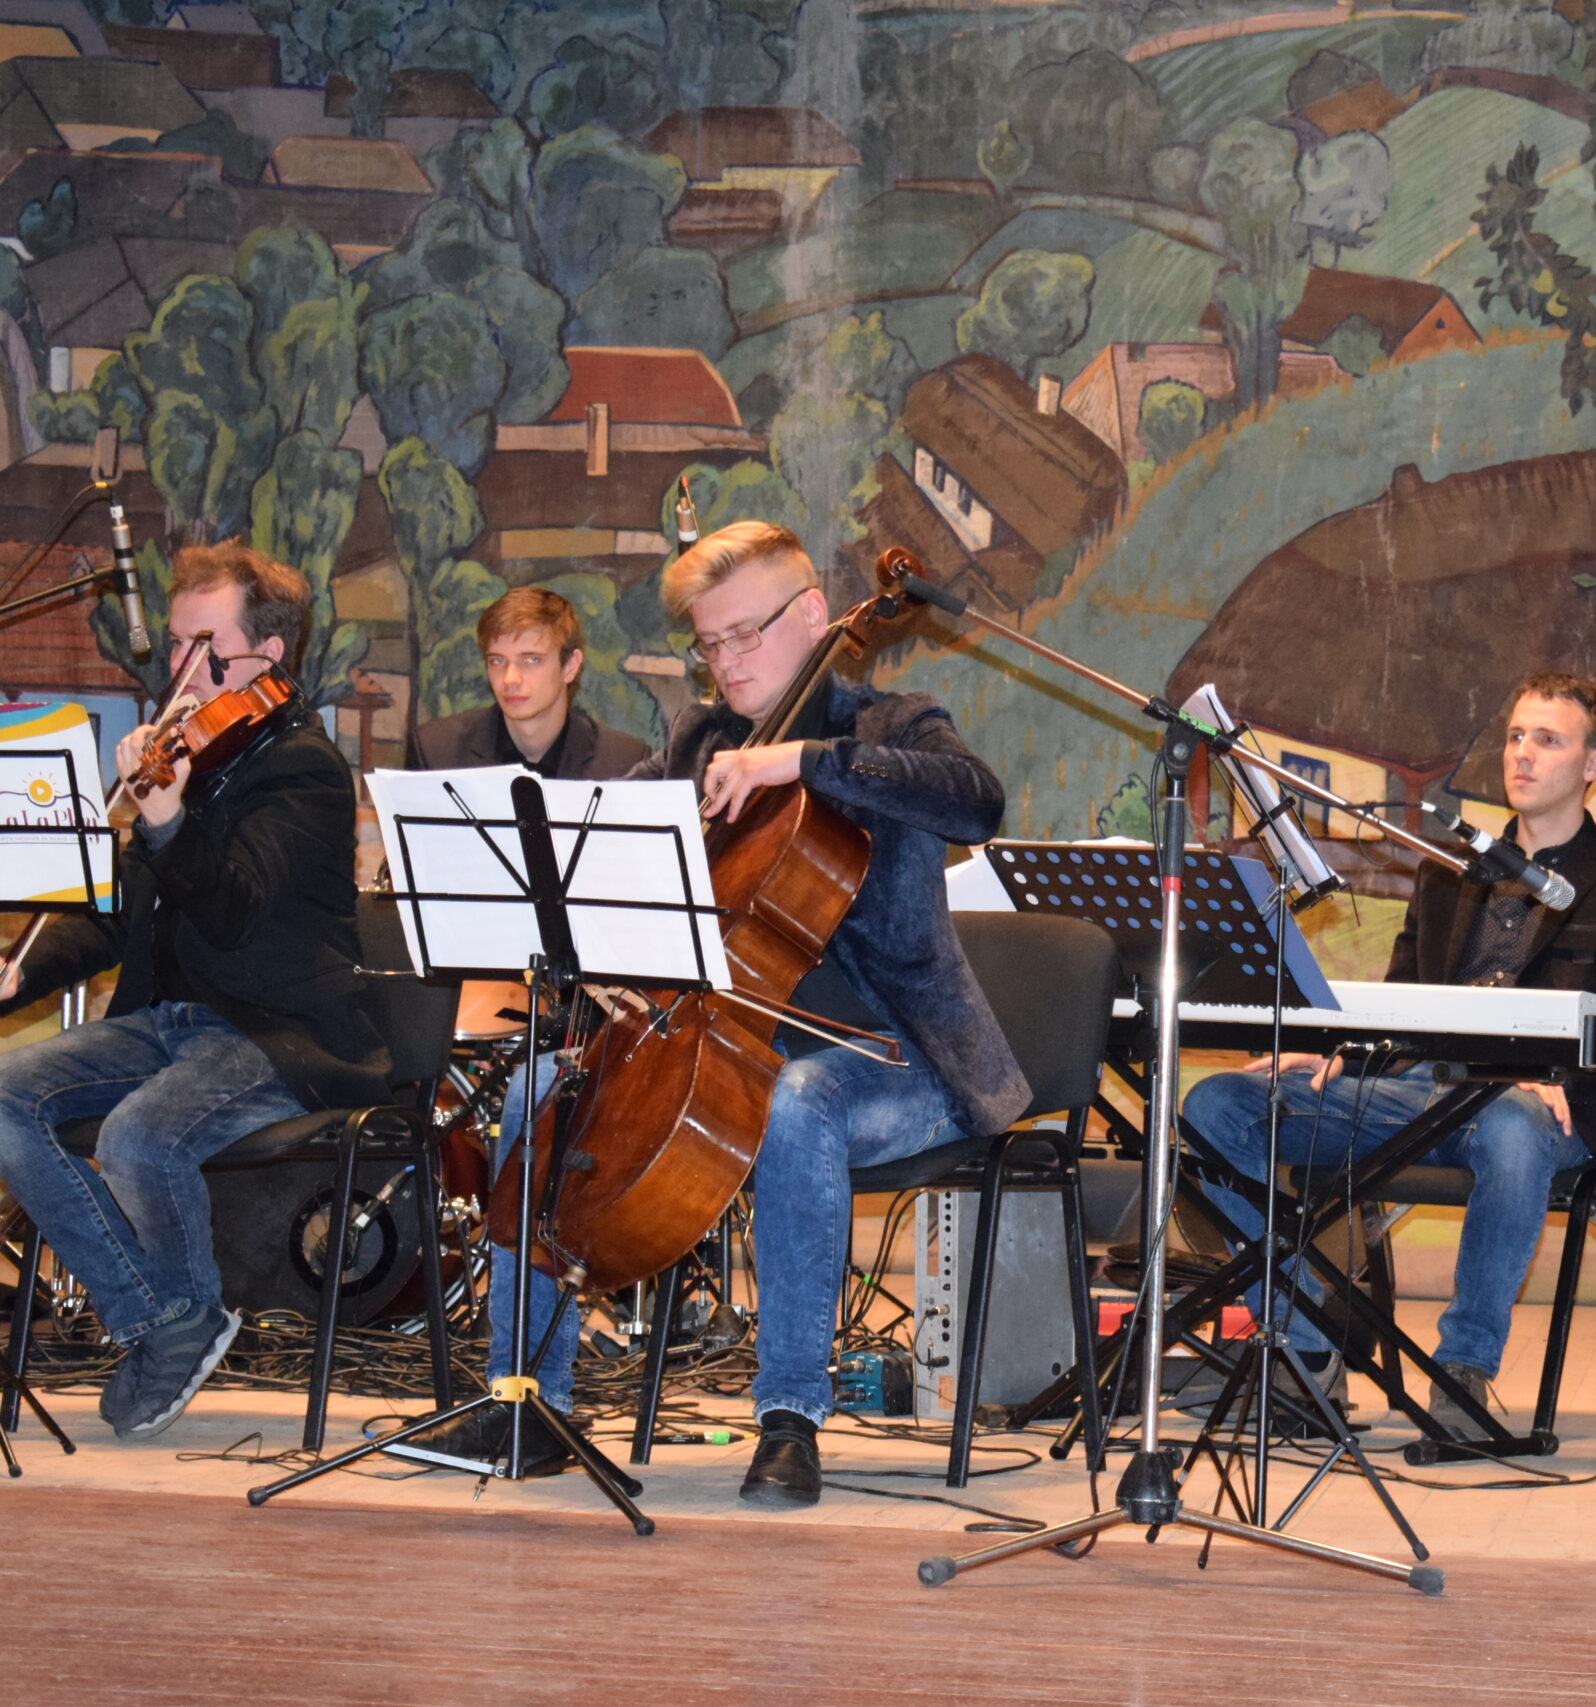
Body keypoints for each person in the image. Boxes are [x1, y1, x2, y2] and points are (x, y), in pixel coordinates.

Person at [389, 522, 1027, 1506]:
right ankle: (526, 1403)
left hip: (901, 1057)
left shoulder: (894, 725)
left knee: (797, 1101)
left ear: (812, 617)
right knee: (534, 1092)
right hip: (718, 1047)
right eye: (708, 643)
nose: (723, 662)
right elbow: (594, 845)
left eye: (743, 635)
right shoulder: (699, 742)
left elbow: (975, 801)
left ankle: (790, 1417)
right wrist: (598, 946)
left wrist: (802, 763)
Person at [1181, 673, 1596, 1440]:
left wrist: (1552, 1075)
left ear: (1594, 764)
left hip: (1542, 1113)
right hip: (1416, 1095)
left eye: (1548, 739)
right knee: (1216, 1106)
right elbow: (1400, 1003)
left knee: (1510, 1121)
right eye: (1516, 736)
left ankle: (1462, 1370)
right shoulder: (1446, 875)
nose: (1523, 753)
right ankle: (1302, 1342)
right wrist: (1333, 1052)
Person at [0, 544, 387, 1439]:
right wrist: (23, 970)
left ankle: (173, 1317)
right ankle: (167, 1318)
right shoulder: (198, 758)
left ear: (268, 653)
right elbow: (120, 915)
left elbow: (234, 908)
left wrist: (168, 815)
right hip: (168, 1023)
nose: (178, 666)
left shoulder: (306, 770)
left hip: (277, 1032)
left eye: (202, 647)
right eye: (176, 644)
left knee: (138, 1136)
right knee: (8, 1097)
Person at [409, 586, 651, 780]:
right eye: (497, 661)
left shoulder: (623, 762)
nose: (510, 679)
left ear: (570, 666)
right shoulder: (436, 753)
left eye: (531, 660)